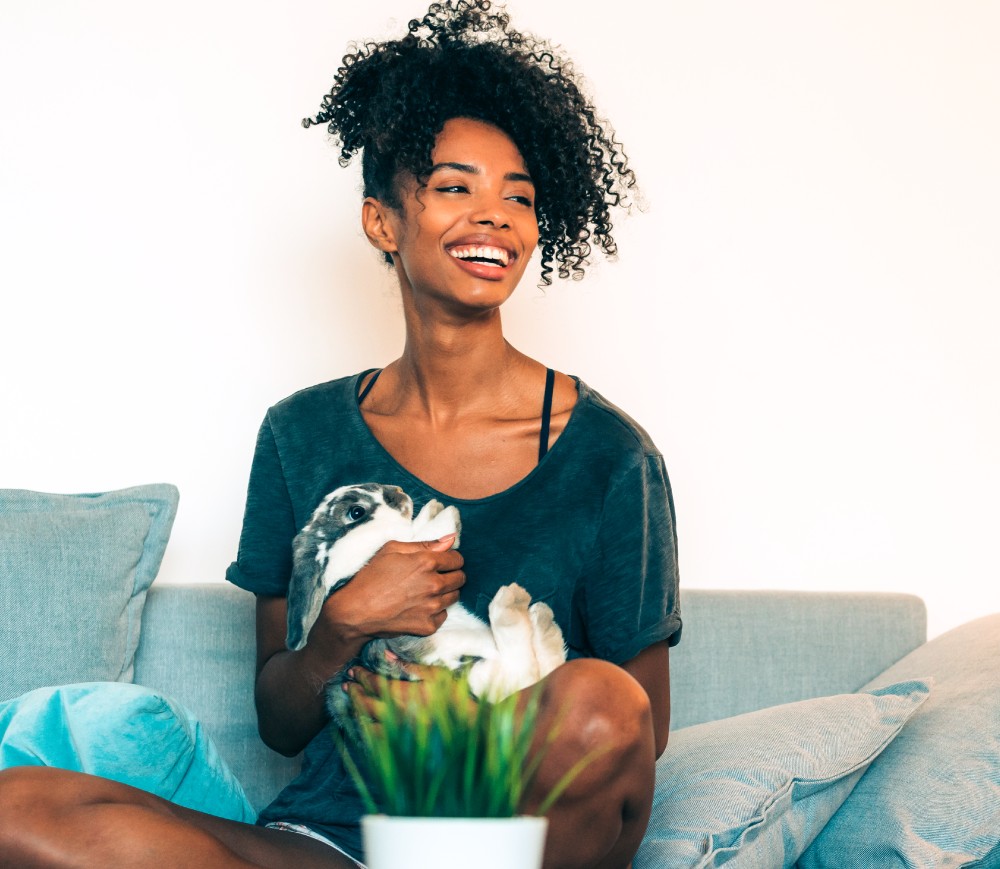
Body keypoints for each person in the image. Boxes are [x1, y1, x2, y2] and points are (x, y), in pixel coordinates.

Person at [0, 2, 680, 867]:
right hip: (326, 844)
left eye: (520, 197)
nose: (495, 218)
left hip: (499, 842)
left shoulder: (613, 456)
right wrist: (341, 627)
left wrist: (454, 741)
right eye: (453, 187)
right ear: (382, 221)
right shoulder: (301, 434)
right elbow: (282, 725)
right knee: (18, 807)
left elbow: (636, 728)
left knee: (600, 698)